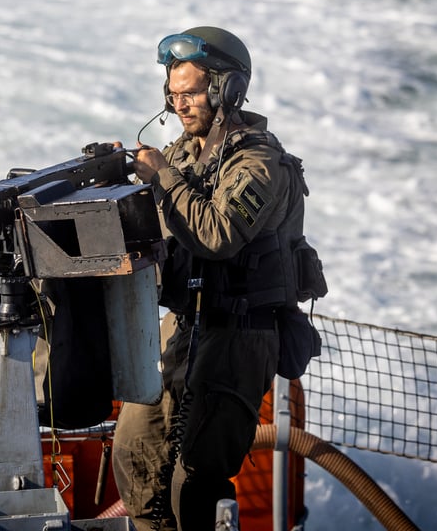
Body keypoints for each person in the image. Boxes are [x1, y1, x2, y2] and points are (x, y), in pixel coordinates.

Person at [112, 26, 311, 531]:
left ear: (227, 91)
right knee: (134, 449)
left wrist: (161, 177)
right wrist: (119, 181)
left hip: (239, 333)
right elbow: (161, 226)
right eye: (173, 95)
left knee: (196, 482)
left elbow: (218, 234)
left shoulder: (260, 162)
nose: (180, 105)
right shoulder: (183, 153)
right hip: (185, 324)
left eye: (192, 93)